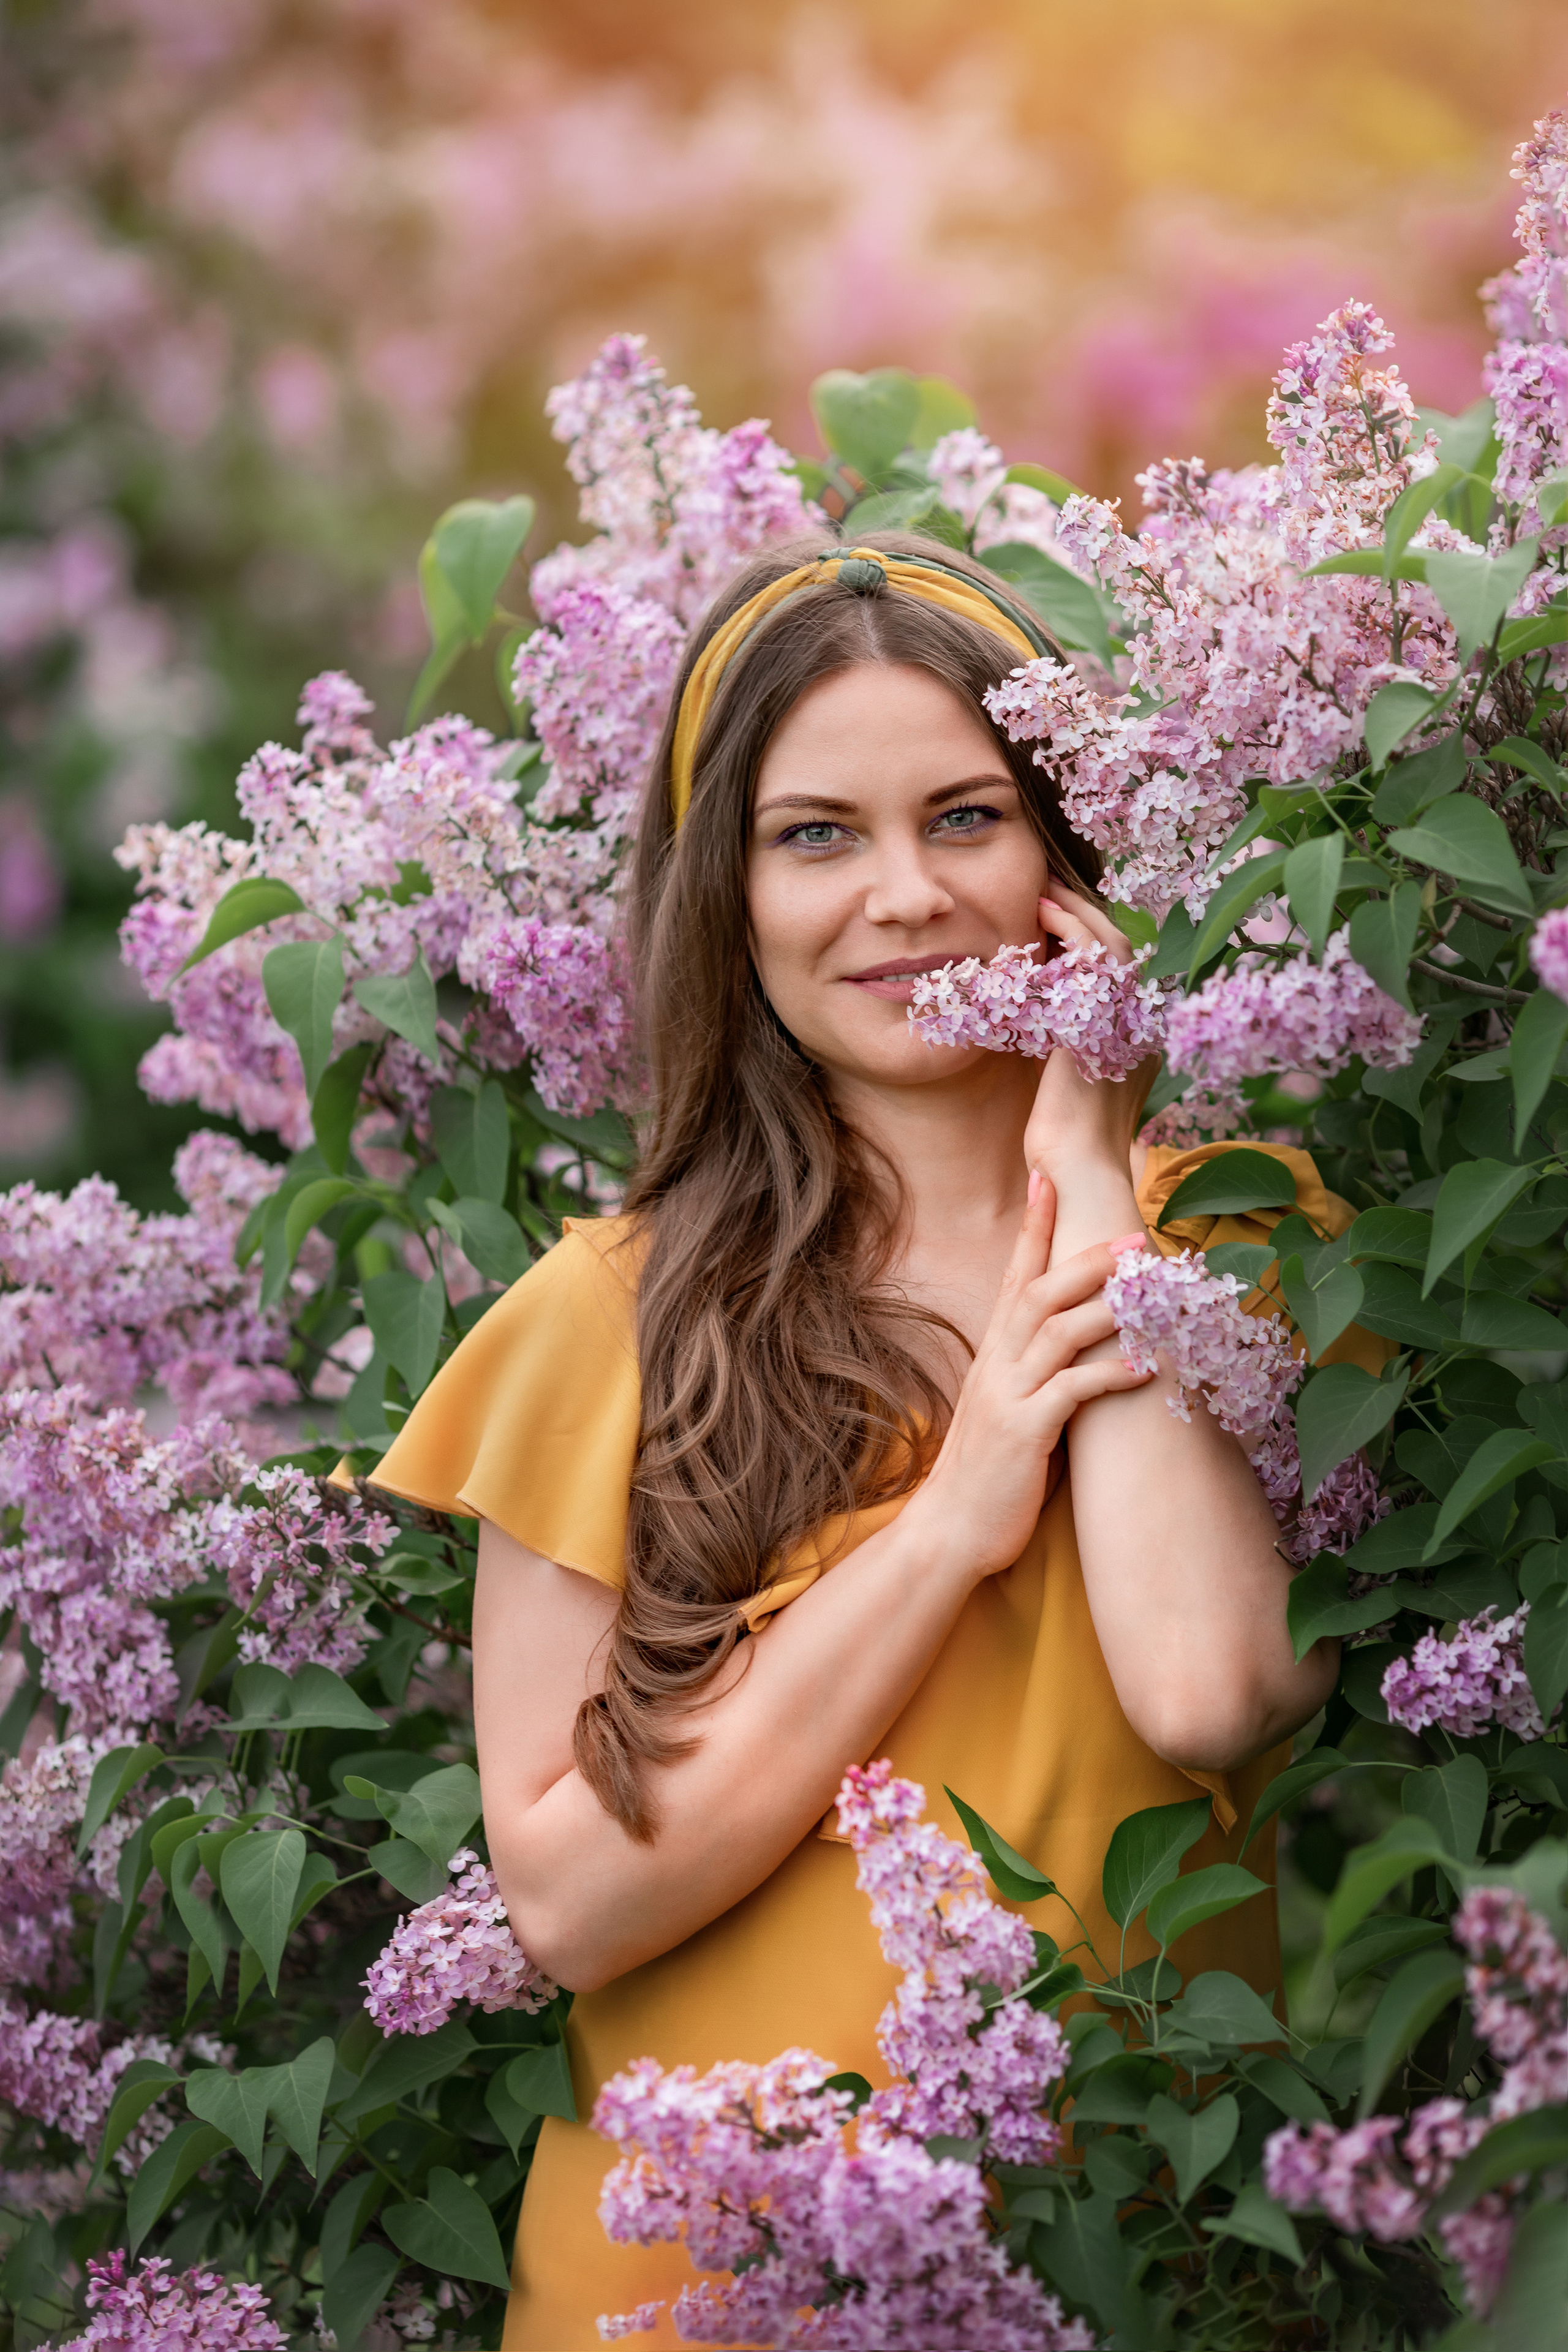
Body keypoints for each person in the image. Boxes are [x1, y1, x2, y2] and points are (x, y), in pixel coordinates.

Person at [369, 533, 1371, 2346]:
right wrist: (952, 1519)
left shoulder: (1233, 1229)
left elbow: (1211, 1692)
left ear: (1067, 855)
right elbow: (575, 1906)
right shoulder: (609, 1317)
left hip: (1142, 2281)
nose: (902, 894)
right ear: (727, 900)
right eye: (814, 834)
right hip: (688, 2307)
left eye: (968, 818)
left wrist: (1088, 1183)